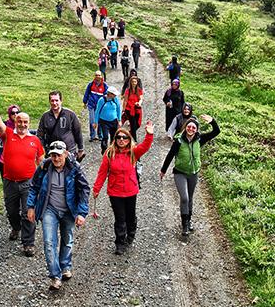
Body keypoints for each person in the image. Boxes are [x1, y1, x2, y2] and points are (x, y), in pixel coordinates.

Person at [0, 94, 43, 257]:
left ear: (29, 123)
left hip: (28, 183)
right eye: (19, 121)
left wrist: (43, 179)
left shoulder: (35, 140)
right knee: (11, 211)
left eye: (25, 122)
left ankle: (28, 243)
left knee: (28, 212)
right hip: (10, 181)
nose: (22, 124)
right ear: (15, 122)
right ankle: (16, 227)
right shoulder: (8, 134)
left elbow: (41, 161)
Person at [27, 140, 90, 291]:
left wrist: (82, 213)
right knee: (49, 242)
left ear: (66, 154)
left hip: (69, 209)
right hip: (50, 209)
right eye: (53, 155)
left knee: (67, 239)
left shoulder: (75, 168)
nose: (56, 159)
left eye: (59, 155)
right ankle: (55, 276)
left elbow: (84, 190)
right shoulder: (44, 167)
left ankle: (65, 266)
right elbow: (34, 187)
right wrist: (30, 206)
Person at [93, 121, 154, 255]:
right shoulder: (109, 154)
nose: (121, 140)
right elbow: (102, 173)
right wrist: (96, 188)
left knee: (130, 217)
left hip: (131, 191)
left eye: (124, 137)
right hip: (115, 192)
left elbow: (145, 147)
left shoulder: (133, 152)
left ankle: (130, 235)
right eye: (118, 137)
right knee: (120, 218)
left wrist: (149, 134)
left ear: (128, 139)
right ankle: (120, 243)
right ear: (114, 139)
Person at [160, 115, 220, 236]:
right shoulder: (179, 141)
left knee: (190, 198)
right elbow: (170, 155)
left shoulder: (200, 139)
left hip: (193, 173)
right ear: (185, 128)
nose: (191, 129)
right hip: (179, 172)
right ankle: (184, 225)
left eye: (193, 127)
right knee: (185, 198)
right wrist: (163, 170)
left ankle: (188, 221)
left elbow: (216, 131)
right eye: (189, 126)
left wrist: (212, 121)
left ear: (196, 129)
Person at [37, 90, 84, 161]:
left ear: (61, 101)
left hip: (68, 151)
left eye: (56, 100)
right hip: (52, 152)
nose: (54, 103)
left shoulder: (70, 114)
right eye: (52, 101)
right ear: (49, 101)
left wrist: (80, 149)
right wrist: (41, 149)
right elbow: (40, 135)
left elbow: (77, 132)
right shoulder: (45, 116)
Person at [0, 104, 21, 177]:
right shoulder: (5, 125)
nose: (15, 114)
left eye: (17, 112)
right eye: (13, 113)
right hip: (5, 160)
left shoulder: (22, 125)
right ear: (9, 114)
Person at [83, 71, 108, 142]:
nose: (97, 77)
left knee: (100, 121)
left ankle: (100, 135)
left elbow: (106, 95)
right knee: (92, 120)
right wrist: (85, 102)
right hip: (91, 105)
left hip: (100, 107)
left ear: (101, 76)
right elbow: (86, 93)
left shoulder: (105, 85)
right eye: (96, 75)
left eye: (99, 75)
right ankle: (92, 136)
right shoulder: (90, 85)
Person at [95, 86, 122, 154]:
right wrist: (95, 122)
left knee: (114, 137)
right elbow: (97, 111)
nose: (115, 95)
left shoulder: (115, 99)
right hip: (104, 122)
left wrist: (119, 120)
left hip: (114, 121)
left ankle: (113, 150)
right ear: (109, 94)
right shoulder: (102, 100)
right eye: (114, 94)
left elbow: (118, 109)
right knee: (105, 136)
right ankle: (104, 150)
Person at [121, 76, 143, 141]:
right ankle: (134, 140)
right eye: (132, 82)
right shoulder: (128, 90)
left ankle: (129, 134)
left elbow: (141, 98)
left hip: (137, 108)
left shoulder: (139, 90)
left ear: (137, 82)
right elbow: (125, 100)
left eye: (135, 82)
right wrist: (123, 109)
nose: (134, 83)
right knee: (133, 124)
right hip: (129, 109)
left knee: (138, 124)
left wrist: (139, 103)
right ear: (130, 82)